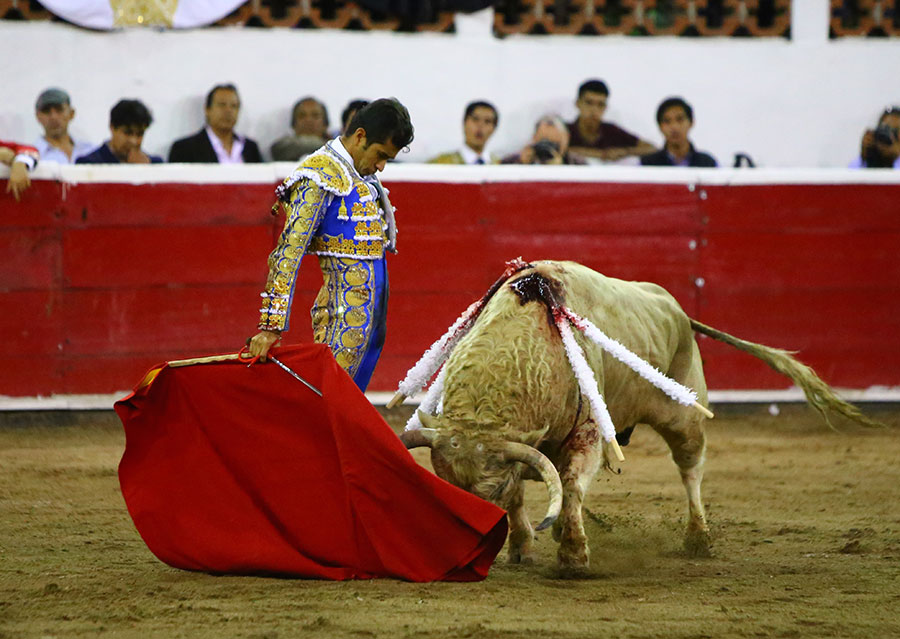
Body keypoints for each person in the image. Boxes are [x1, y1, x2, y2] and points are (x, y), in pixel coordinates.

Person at [248, 98, 414, 391]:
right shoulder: (319, 175)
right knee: (326, 408)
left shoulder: (362, 176)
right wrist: (270, 327)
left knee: (343, 409)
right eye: (380, 154)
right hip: (341, 325)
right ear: (360, 136)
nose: (382, 166)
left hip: (370, 328)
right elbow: (288, 252)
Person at [168, 83, 262, 163]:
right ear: (207, 110)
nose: (228, 111)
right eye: (222, 105)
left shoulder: (250, 148)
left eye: (234, 106)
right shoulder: (184, 149)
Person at [567, 79, 656, 162]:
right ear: (577, 103)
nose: (594, 110)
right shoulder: (564, 130)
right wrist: (599, 154)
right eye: (589, 103)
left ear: (606, 108)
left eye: (600, 104)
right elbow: (556, 150)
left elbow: (652, 149)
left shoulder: (611, 131)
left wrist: (625, 151)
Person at [75, 99, 163, 164]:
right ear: (112, 127)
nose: (133, 141)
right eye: (127, 133)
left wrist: (147, 171)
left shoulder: (155, 164)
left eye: (140, 134)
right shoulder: (88, 164)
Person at [640, 97, 717, 167]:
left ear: (691, 123)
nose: (674, 127)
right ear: (660, 127)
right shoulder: (648, 164)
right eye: (667, 121)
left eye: (680, 119)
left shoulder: (707, 163)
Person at [32, 88, 95, 164]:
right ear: (38, 117)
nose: (53, 117)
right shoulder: (32, 156)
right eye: (46, 111)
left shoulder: (90, 151)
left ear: (71, 113)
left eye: (59, 110)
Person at [428, 100, 500, 165]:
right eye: (475, 119)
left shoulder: (500, 166)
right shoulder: (440, 164)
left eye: (487, 121)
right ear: (464, 122)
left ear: (494, 128)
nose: (480, 126)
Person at [501, 114, 586, 165]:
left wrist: (561, 169)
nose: (548, 147)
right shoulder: (515, 159)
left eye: (555, 143)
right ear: (534, 138)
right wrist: (521, 164)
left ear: (566, 139)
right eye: (544, 141)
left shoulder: (576, 163)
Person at [270, 96, 330, 162]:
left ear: (325, 124)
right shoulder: (282, 148)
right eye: (302, 115)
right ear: (293, 124)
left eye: (315, 115)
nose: (308, 120)